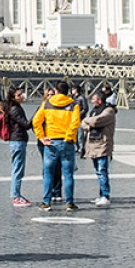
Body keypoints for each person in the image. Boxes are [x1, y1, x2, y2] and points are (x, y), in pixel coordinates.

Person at [32, 81, 81, 212]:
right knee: (68, 174)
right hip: (67, 142)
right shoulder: (73, 104)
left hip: (51, 142)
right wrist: (69, 137)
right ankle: (70, 202)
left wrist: (41, 137)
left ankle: (46, 202)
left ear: (56, 90)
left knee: (48, 173)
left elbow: (36, 121)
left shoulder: (47, 103)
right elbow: (75, 122)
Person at [80, 91, 116, 206]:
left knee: (102, 171)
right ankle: (101, 195)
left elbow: (96, 121)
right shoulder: (94, 111)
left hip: (103, 145)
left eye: (94, 99)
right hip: (93, 145)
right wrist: (88, 122)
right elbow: (83, 124)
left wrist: (87, 121)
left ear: (100, 100)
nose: (92, 101)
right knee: (98, 171)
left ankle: (105, 195)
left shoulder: (109, 111)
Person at [4, 86, 34, 207]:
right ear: (13, 97)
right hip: (17, 140)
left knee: (18, 168)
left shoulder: (14, 107)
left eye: (22, 94)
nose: (22, 96)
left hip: (17, 140)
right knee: (18, 169)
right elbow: (26, 125)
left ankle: (16, 195)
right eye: (19, 95)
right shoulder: (15, 109)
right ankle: (16, 196)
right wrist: (37, 113)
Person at [71, 84, 90, 154]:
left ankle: (81, 148)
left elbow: (85, 108)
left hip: (80, 118)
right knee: (75, 134)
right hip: (73, 118)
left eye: (73, 89)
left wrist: (79, 115)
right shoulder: (73, 97)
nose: (72, 91)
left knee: (80, 134)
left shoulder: (82, 98)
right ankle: (77, 147)